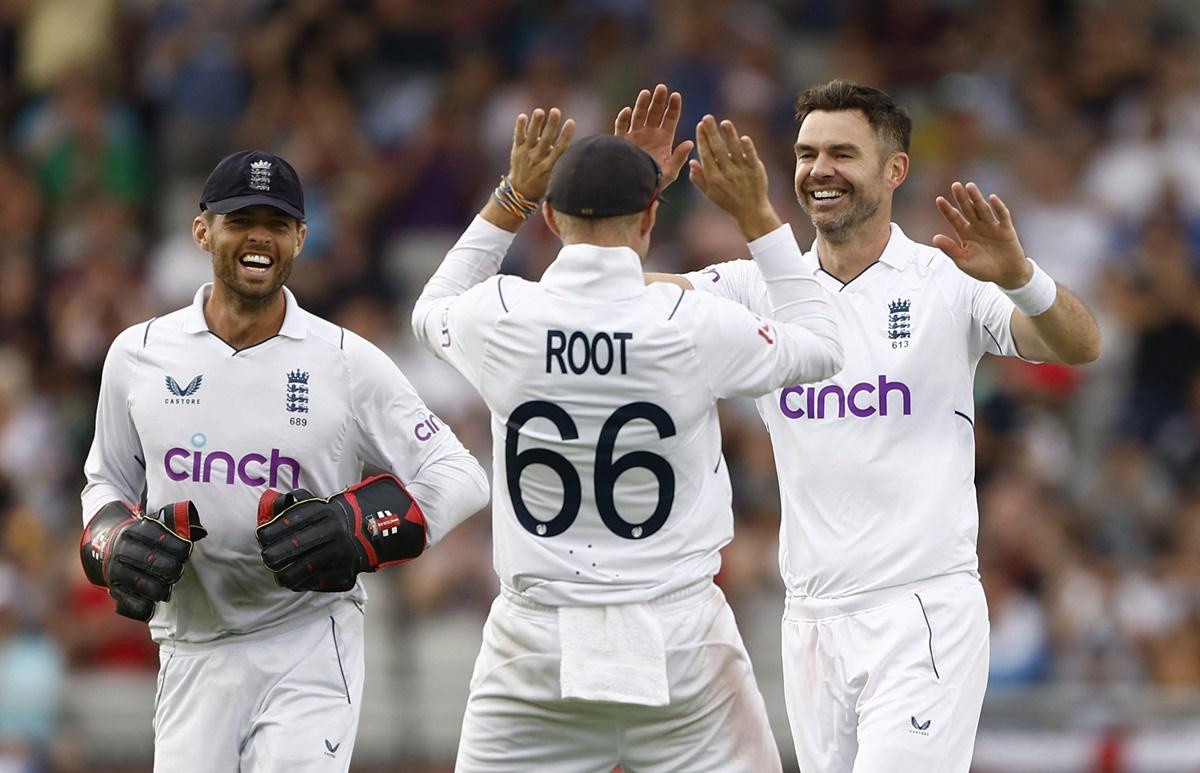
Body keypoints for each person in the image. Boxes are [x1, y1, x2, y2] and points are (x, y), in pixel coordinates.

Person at [639, 79, 1102, 772]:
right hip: (812, 621)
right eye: (806, 153)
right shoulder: (755, 287)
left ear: (895, 169)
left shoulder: (947, 279)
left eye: (842, 153)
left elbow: (1079, 344)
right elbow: (615, 300)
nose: (819, 169)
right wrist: (631, 198)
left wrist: (1020, 276)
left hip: (921, 611)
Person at [411, 91, 843, 772]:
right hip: (681, 641)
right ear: (650, 217)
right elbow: (822, 343)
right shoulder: (690, 322)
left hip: (534, 644)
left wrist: (511, 195)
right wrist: (758, 215)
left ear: (550, 218)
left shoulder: (500, 315)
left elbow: (431, 305)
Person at [80, 149, 489, 772]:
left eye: (276, 224)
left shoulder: (347, 360)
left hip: (307, 642)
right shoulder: (137, 354)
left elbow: (459, 476)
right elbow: (105, 477)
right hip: (192, 644)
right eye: (241, 220)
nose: (258, 238)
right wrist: (110, 539)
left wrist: (358, 532)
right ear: (202, 231)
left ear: (300, 237)